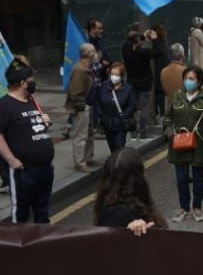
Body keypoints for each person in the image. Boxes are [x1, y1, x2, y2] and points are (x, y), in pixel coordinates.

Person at [0, 60, 55, 223]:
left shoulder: (31, 101)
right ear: (23, 83)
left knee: (43, 210)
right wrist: (11, 160)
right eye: (31, 79)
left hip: (45, 168)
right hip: (24, 171)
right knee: (21, 213)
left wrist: (46, 123)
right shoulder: (3, 106)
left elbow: (33, 128)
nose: (34, 83)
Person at [166, 65, 203, 222]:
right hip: (178, 144)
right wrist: (170, 133)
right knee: (181, 178)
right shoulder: (176, 96)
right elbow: (167, 117)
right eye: (186, 78)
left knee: (198, 179)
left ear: (199, 82)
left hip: (199, 144)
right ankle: (184, 208)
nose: (188, 82)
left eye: (192, 79)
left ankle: (197, 208)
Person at [93, 147, 165, 235]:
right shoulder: (116, 215)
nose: (146, 175)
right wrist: (127, 233)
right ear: (136, 179)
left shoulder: (118, 205)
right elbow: (108, 245)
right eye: (142, 171)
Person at [64, 42, 99, 172]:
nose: (96, 54)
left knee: (89, 133)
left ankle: (88, 157)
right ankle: (80, 163)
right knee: (81, 135)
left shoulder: (87, 68)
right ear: (89, 55)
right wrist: (82, 106)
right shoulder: (80, 70)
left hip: (88, 105)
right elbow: (75, 91)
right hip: (81, 107)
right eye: (94, 52)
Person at [92, 59, 138, 155]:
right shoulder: (104, 86)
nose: (114, 77)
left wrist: (124, 115)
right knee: (112, 147)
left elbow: (132, 105)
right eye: (112, 74)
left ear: (121, 76)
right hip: (107, 123)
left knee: (119, 147)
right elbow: (97, 102)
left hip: (120, 124)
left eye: (117, 75)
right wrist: (101, 115)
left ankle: (118, 166)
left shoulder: (128, 89)